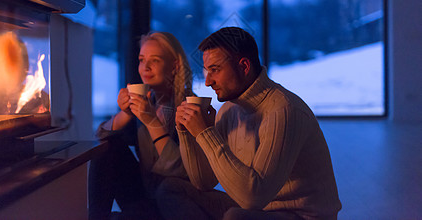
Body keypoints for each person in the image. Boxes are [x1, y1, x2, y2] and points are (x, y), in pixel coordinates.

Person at [157, 27, 342, 220]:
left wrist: (206, 133)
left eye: (215, 70)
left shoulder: (285, 111)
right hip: (256, 211)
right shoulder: (229, 110)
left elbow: (253, 198)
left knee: (235, 217)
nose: (208, 82)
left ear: (244, 67)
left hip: (301, 215)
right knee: (173, 188)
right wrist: (187, 133)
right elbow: (204, 182)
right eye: (206, 71)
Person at [88, 31, 194, 220]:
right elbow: (100, 138)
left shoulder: (189, 107)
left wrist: (151, 122)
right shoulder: (149, 101)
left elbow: (180, 170)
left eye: (155, 60)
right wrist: (125, 114)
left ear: (174, 66)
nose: (145, 67)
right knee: (109, 147)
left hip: (174, 199)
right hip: (145, 192)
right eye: (142, 59)